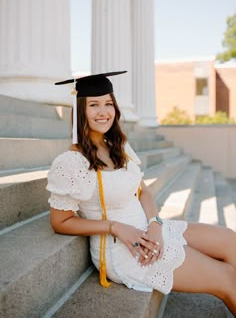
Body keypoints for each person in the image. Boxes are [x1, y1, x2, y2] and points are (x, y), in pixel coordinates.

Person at [47, 71, 236, 315]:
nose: (103, 111)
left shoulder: (118, 146)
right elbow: (60, 221)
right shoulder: (72, 162)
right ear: (81, 109)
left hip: (150, 229)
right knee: (226, 278)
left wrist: (155, 223)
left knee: (230, 239)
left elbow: (143, 192)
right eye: (94, 105)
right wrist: (114, 227)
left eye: (108, 103)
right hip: (125, 250)